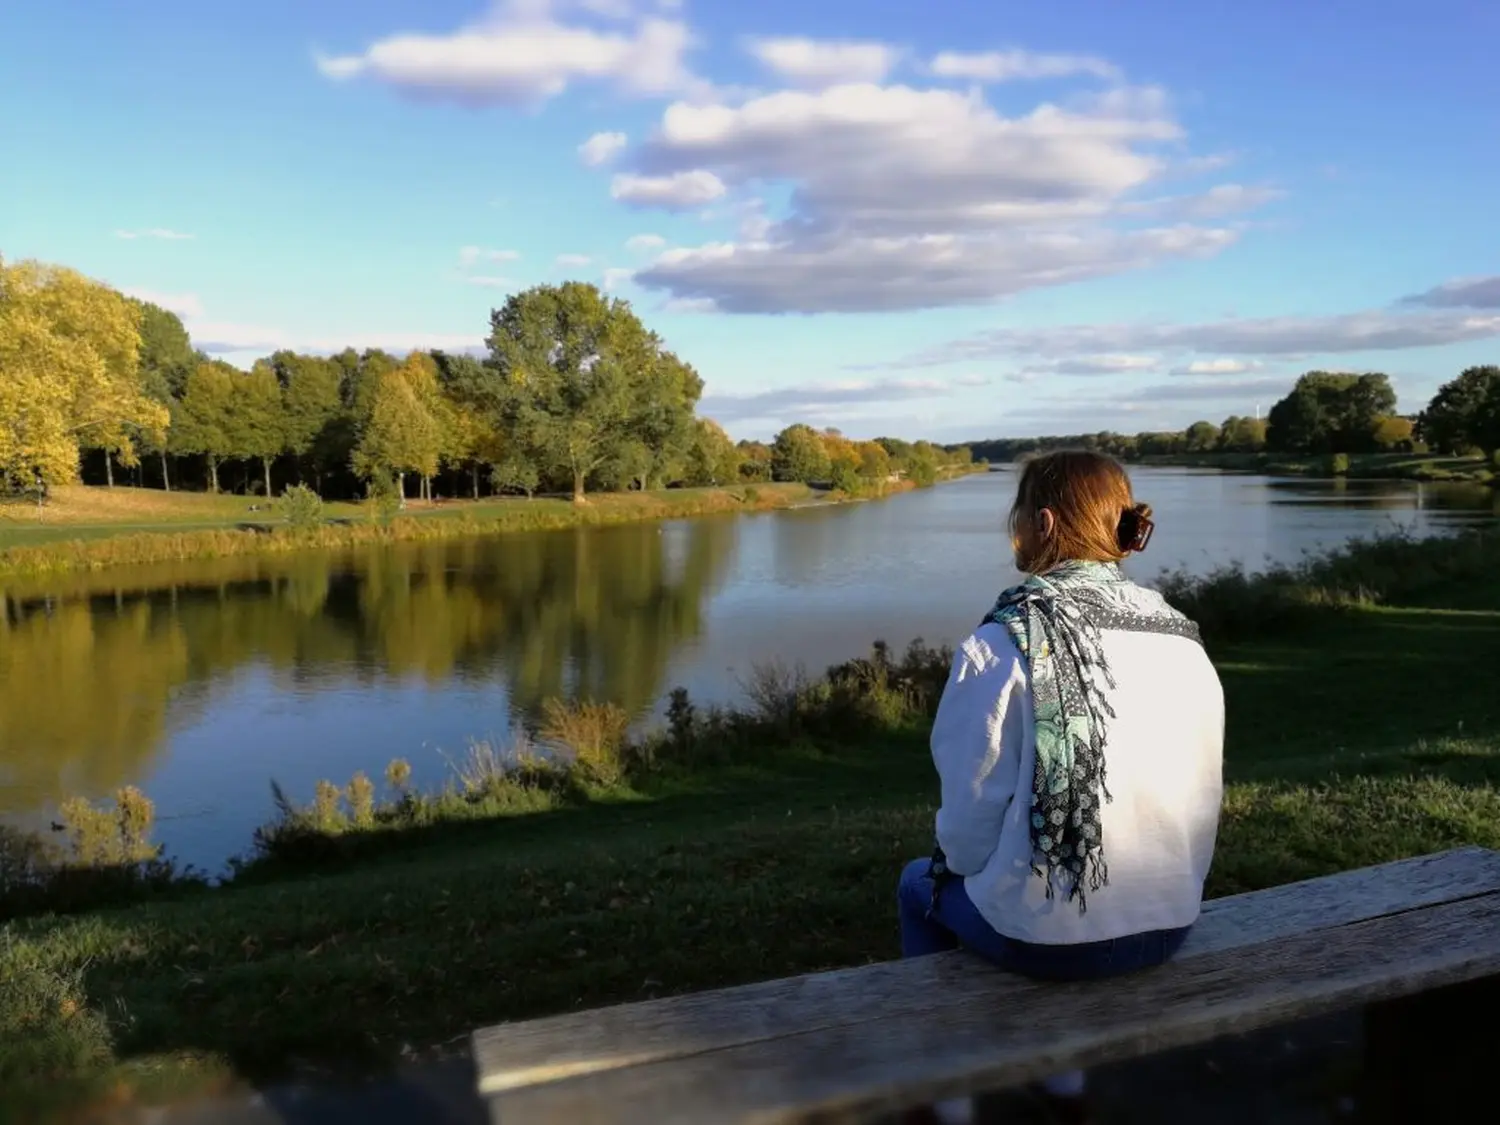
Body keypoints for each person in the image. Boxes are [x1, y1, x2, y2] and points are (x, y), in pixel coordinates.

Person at [897, 451, 1224, 1125]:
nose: (1010, 528)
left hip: (1047, 941)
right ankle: (1064, 1084)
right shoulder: (1183, 637)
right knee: (1048, 896)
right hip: (1169, 920)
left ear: (1042, 523)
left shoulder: (1004, 641)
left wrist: (970, 875)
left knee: (920, 887)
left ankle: (947, 1099)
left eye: (1015, 514)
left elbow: (966, 826)